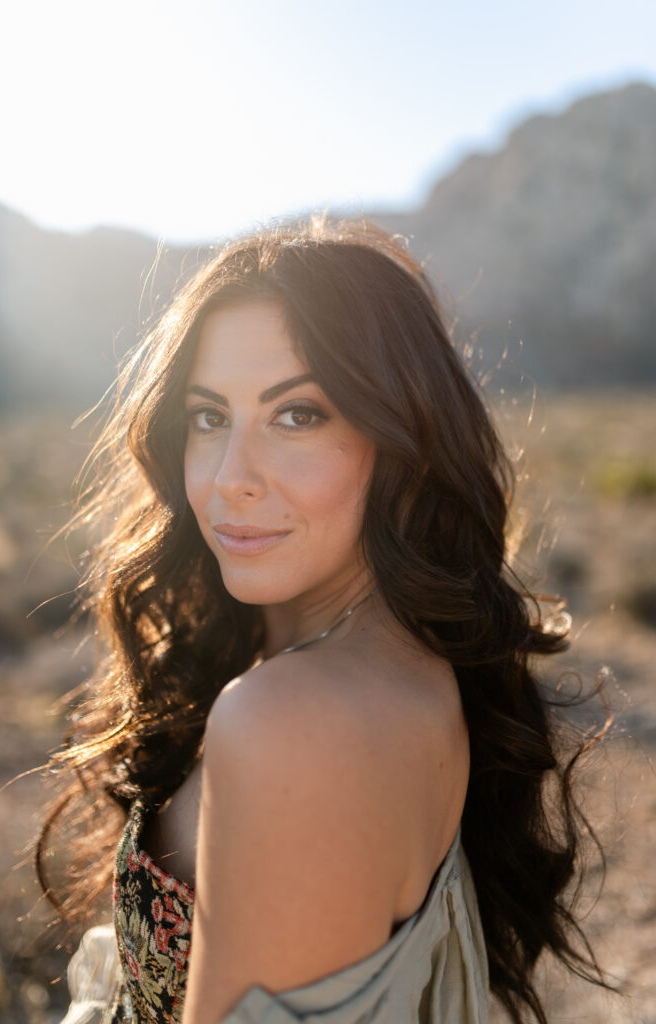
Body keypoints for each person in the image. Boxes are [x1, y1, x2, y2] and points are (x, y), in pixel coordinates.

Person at [37, 217, 610, 1024]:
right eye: (209, 417)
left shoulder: (294, 720)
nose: (231, 477)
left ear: (401, 440)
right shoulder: (399, 666)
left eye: (297, 414)